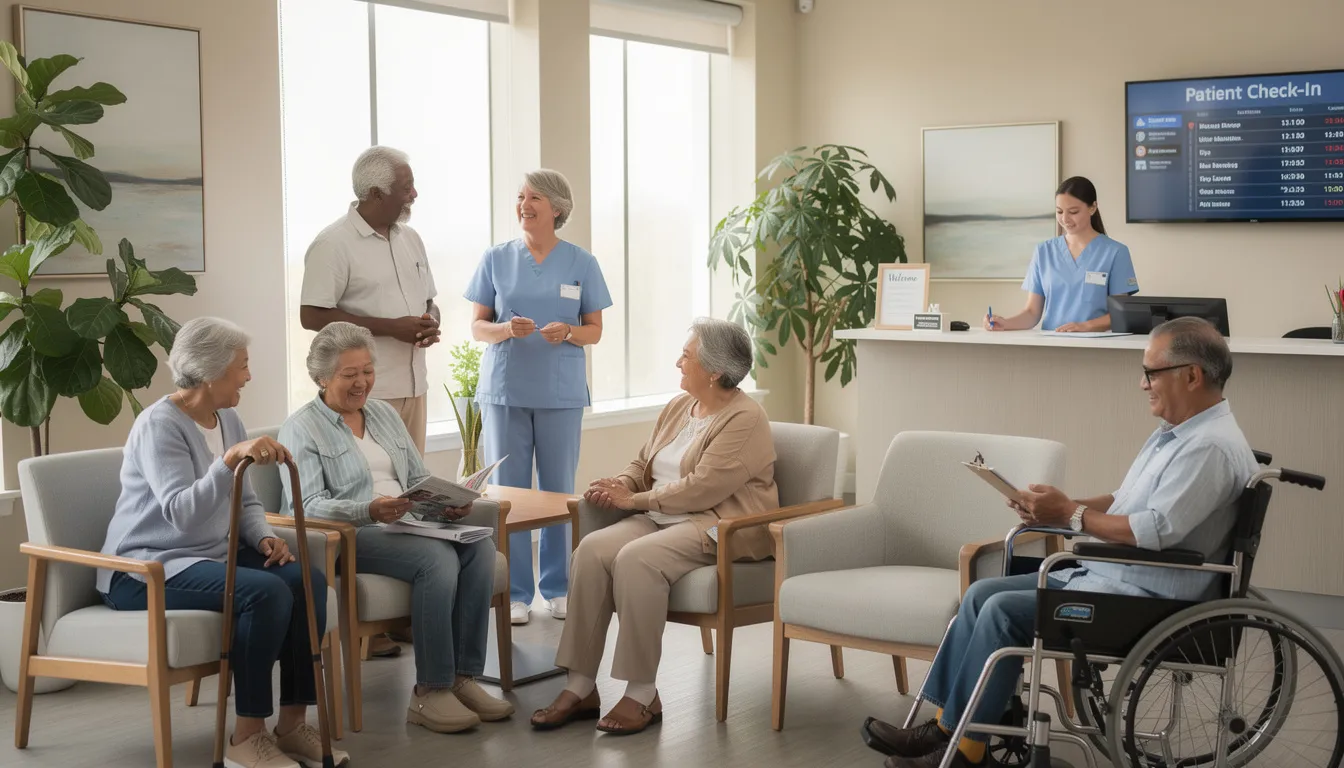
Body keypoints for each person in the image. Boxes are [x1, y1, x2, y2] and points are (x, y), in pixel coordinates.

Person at [863, 317, 1257, 768]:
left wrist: (1069, 516)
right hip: (1120, 580)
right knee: (979, 594)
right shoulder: (1178, 435)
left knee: (1001, 612)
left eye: (1151, 372)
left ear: (1192, 375)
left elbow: (1151, 530)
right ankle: (944, 726)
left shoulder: (1208, 448)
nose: (1142, 383)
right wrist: (1061, 506)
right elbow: (1125, 502)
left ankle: (965, 752)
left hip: (1150, 602)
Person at [97, 317, 349, 768]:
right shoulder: (160, 425)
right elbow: (180, 513)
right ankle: (245, 738)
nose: (249, 376)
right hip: (146, 568)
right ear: (212, 372)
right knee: (266, 592)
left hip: (207, 556)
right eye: (242, 366)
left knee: (306, 580)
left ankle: (291, 726)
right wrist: (227, 461)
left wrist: (266, 537)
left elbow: (246, 500)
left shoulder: (227, 417)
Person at [530, 318, 778, 735]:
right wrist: (623, 483)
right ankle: (580, 684)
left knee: (637, 560)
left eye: (687, 354)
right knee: (591, 550)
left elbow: (703, 490)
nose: (678, 361)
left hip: (720, 524)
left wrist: (635, 500)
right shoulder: (681, 406)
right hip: (663, 516)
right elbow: (644, 461)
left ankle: (642, 693)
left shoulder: (746, 418)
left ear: (715, 371)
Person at [279, 322, 513, 734]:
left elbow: (418, 477)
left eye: (367, 371)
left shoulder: (384, 414)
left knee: (479, 547)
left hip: (406, 521)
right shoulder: (301, 428)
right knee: (436, 559)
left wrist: (449, 503)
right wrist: (370, 509)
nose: (362, 382)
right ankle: (430, 690)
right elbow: (309, 506)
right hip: (351, 535)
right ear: (322, 377)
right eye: (349, 375)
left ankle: (463, 678)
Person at [465, 169, 613, 626]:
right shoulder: (495, 258)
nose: (524, 205)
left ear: (557, 208)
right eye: (520, 196)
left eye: (534, 198)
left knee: (556, 491)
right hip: (505, 389)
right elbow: (476, 326)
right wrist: (507, 329)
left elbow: (595, 331)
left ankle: (558, 586)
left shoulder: (582, 262)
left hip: (560, 391)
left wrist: (568, 331)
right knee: (507, 493)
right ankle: (513, 591)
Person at [299, 145, 441, 453]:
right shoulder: (332, 244)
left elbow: (429, 300)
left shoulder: (411, 238)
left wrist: (431, 321)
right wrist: (391, 327)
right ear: (377, 194)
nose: (414, 194)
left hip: (416, 388)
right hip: (367, 394)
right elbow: (311, 315)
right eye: (406, 188)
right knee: (375, 490)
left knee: (413, 489)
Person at [984, 176, 1138, 333]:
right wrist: (1005, 323)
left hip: (1095, 346)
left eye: (1073, 212)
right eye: (1059, 211)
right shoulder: (1043, 251)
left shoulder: (1115, 252)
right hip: (1052, 346)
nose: (1065, 219)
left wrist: (1085, 326)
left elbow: (1119, 313)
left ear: (1092, 208)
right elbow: (1032, 313)